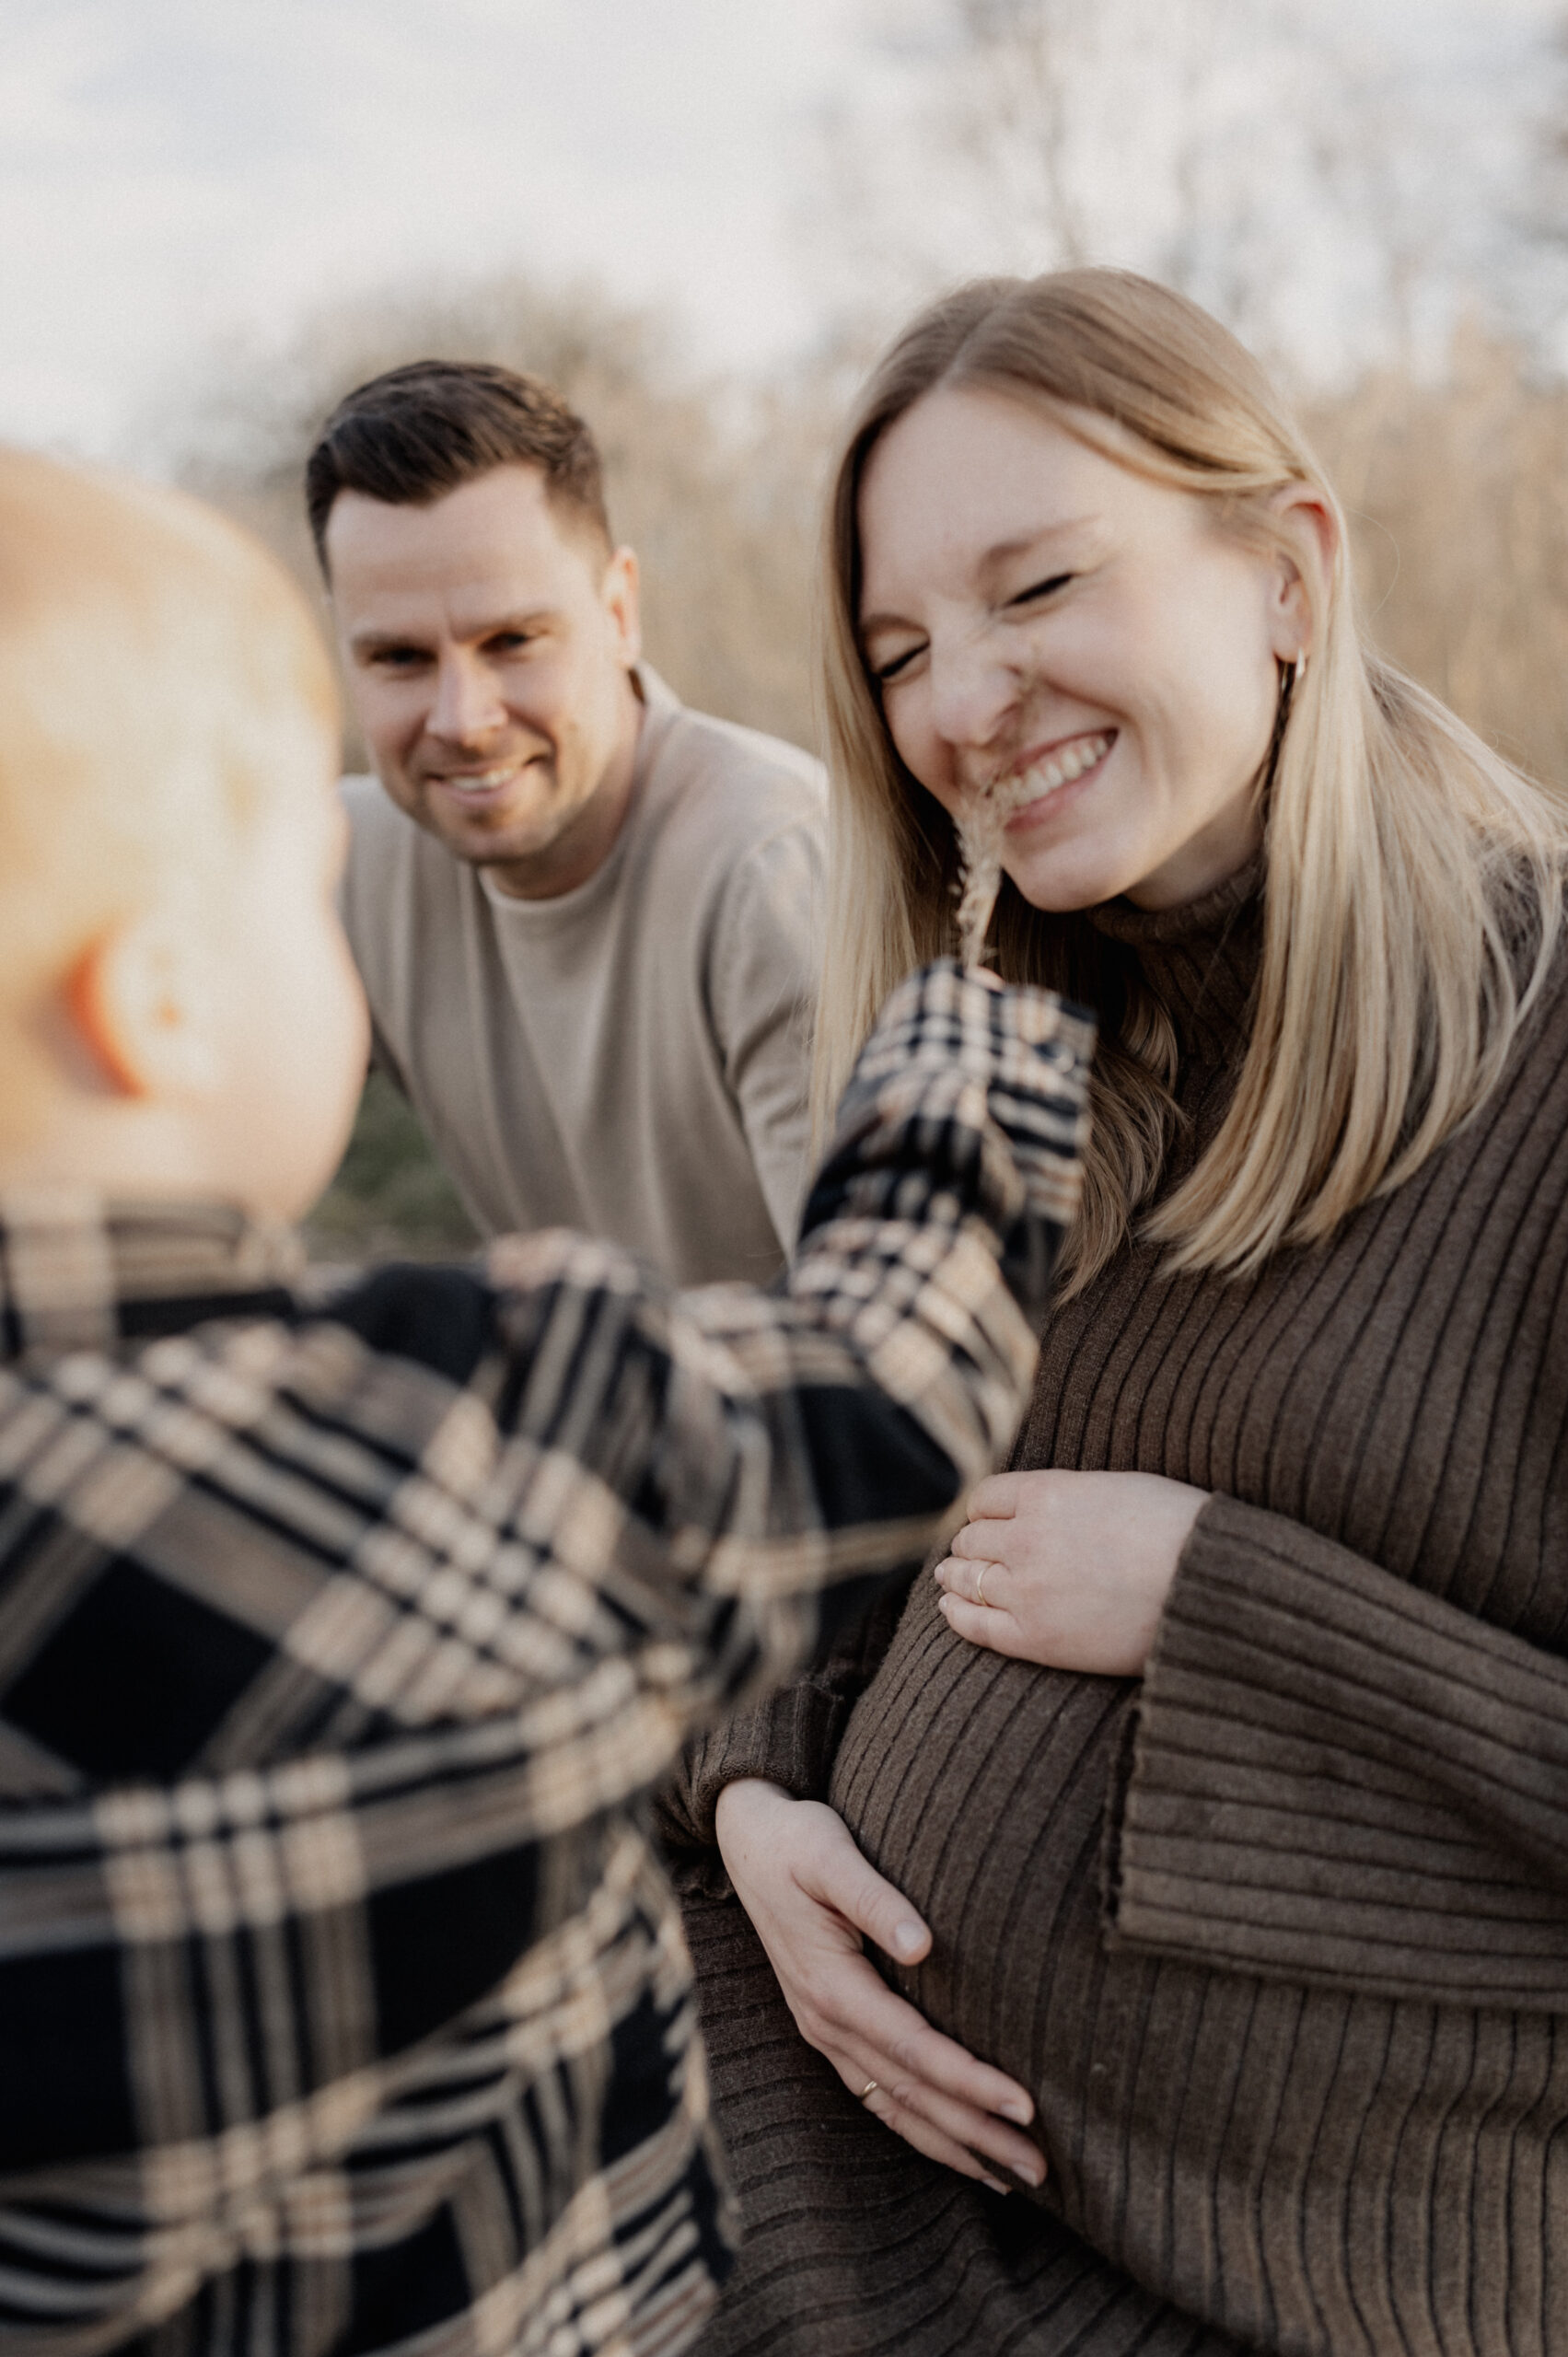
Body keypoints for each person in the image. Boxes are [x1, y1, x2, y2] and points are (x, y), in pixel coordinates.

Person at [0, 447, 1095, 2357]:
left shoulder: (741, 854)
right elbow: (889, 1383)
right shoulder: (448, 1430)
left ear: (614, 610)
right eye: (302, 885)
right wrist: (969, 1021)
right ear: (158, 996)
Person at [657, 269, 1568, 2357]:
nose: (960, 700)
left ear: (1280, 567)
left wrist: (1223, 1604)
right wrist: (752, 1801)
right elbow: (804, 1537)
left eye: (1034, 583)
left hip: (1255, 2249)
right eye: (896, 650)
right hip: (831, 2084)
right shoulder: (1013, 1054)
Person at [306, 360, 824, 1287]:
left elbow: (878, 1372)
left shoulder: (774, 870)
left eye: (512, 641)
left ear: (619, 612)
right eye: (398, 657)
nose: (463, 720)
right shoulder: (345, 860)